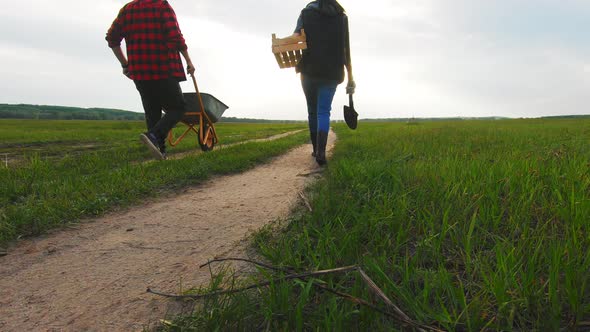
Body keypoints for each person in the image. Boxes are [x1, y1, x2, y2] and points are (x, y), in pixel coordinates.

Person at [106, 0, 195, 160]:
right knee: (178, 108)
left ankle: (159, 152)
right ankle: (154, 135)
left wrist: (125, 64)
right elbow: (176, 37)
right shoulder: (161, 6)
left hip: (139, 71)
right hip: (163, 68)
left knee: (152, 111)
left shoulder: (127, 9)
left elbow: (112, 38)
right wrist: (188, 61)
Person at [293, 0, 355, 166]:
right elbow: (346, 49)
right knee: (323, 112)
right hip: (332, 73)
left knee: (312, 111)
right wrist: (350, 76)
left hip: (309, 71)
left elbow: (296, 38)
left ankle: (315, 149)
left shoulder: (306, 12)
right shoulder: (341, 17)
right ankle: (321, 152)